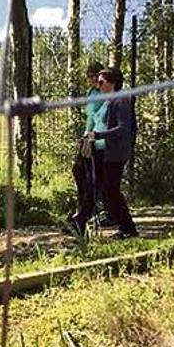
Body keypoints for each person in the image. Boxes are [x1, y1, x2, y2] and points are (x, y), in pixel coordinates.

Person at [67, 68, 138, 239]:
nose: (98, 86)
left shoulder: (121, 101)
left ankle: (128, 228)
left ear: (112, 83)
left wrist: (98, 135)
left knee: (110, 190)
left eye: (101, 82)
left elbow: (122, 129)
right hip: (99, 150)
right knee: (95, 186)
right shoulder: (107, 101)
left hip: (113, 153)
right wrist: (88, 137)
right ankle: (81, 221)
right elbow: (97, 122)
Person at [71, 62, 108, 227]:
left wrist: (92, 135)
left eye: (94, 76)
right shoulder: (92, 92)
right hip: (89, 136)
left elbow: (100, 119)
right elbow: (90, 117)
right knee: (79, 171)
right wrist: (85, 135)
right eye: (89, 77)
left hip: (99, 140)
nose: (91, 80)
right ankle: (82, 209)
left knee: (95, 178)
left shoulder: (106, 93)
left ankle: (85, 214)